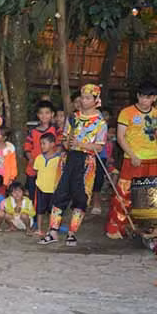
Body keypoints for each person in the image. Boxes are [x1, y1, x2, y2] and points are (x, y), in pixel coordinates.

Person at [39, 84, 107, 246]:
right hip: (68, 159)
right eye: (83, 97)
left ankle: (72, 233)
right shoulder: (73, 118)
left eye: (88, 98)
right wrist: (68, 143)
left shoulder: (100, 122)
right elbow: (64, 139)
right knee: (60, 193)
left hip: (86, 161)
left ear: (96, 100)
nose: (84, 101)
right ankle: (53, 231)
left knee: (81, 196)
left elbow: (99, 147)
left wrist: (80, 144)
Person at [106, 83, 157, 239]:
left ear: (154, 98)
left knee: (154, 194)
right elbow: (120, 137)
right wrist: (132, 155)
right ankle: (115, 227)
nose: (143, 100)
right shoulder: (126, 112)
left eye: (148, 97)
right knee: (125, 193)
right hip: (133, 159)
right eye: (141, 96)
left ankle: (152, 227)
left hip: (153, 159)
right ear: (137, 96)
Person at [24, 101, 58, 200]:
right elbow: (27, 147)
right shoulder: (32, 131)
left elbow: (60, 146)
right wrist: (31, 159)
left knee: (49, 193)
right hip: (34, 166)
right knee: (33, 193)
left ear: (52, 114)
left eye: (47, 113)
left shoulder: (56, 130)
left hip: (50, 167)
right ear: (38, 115)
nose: (44, 116)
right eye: (41, 113)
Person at [32, 133, 62, 236]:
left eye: (44, 143)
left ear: (53, 144)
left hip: (53, 189)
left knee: (52, 211)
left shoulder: (59, 159)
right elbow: (36, 171)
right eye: (41, 144)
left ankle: (51, 229)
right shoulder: (39, 158)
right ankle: (39, 229)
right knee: (39, 210)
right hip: (41, 188)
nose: (42, 146)